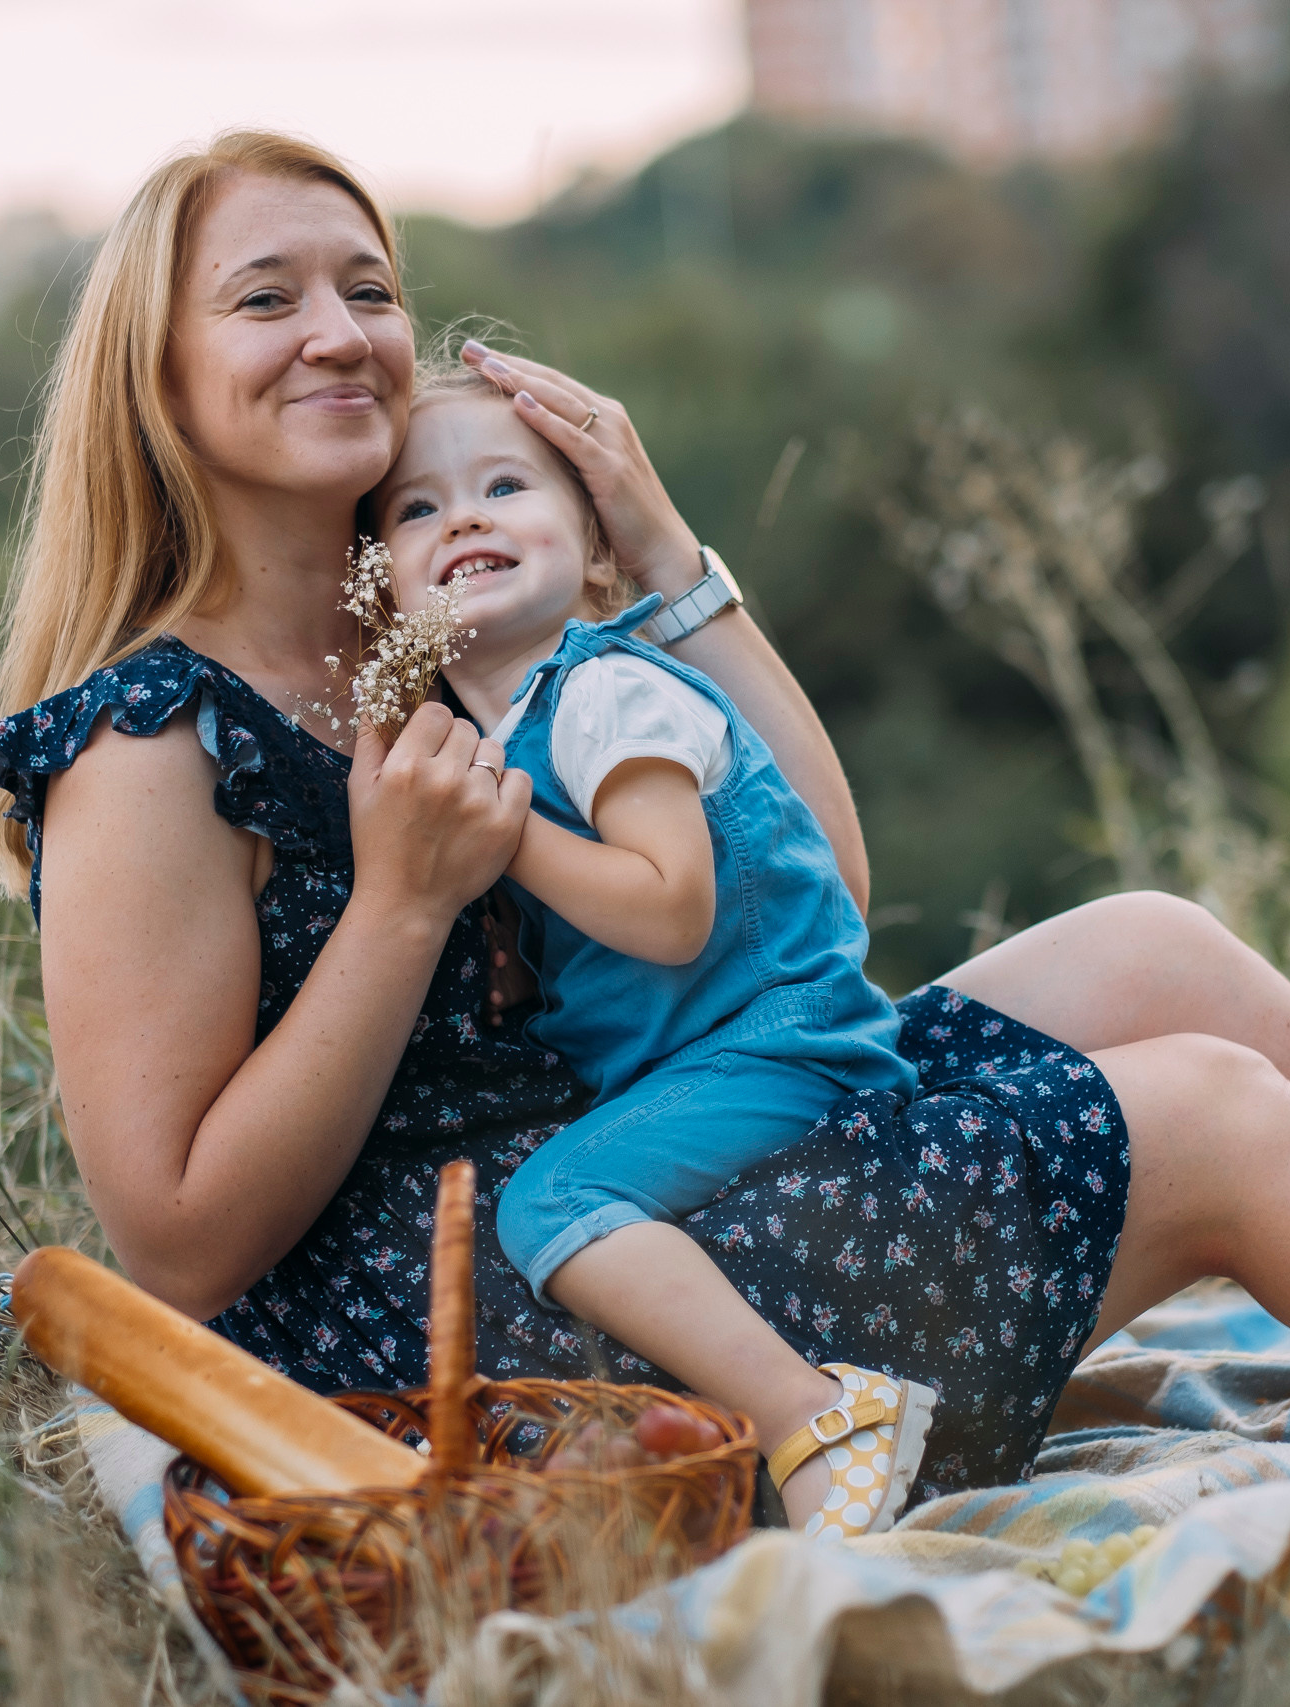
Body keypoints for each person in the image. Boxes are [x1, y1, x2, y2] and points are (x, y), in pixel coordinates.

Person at [0, 129, 1290, 1518]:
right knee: (1183, 1107)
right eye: (265, 297)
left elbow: (810, 903)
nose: (338, 330)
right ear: (153, 368)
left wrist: (664, 560)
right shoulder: (151, 741)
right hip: (495, 1343)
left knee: (1148, 948)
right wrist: (399, 911)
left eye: (368, 285)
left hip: (642, 1176)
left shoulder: (411, 649)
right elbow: (178, 1230)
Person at [369, 360, 938, 1537]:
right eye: (416, 509)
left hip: (782, 1036)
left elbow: (670, 906)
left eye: (505, 486)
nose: (462, 516)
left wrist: (500, 836)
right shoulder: (510, 726)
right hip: (715, 1057)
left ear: (594, 557)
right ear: (381, 593)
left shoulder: (605, 693)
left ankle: (821, 1418)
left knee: (549, 1202)